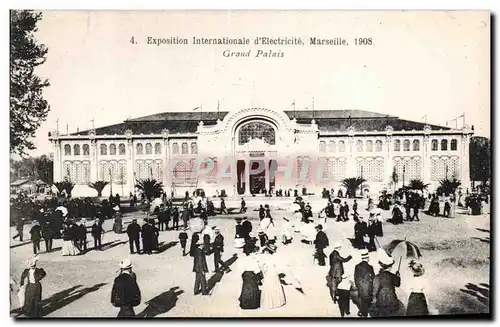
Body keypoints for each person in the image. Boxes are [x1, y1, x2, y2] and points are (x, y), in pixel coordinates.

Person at [371, 252, 403, 317]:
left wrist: (374, 298)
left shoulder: (377, 276)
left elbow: (375, 289)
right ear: (390, 267)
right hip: (392, 300)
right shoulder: (392, 276)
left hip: (381, 300)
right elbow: (397, 284)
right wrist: (398, 277)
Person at [238, 245, 262, 309]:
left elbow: (240, 268)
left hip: (245, 274)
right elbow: (257, 270)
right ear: (251, 252)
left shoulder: (244, 259)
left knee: (245, 288)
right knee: (253, 288)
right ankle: (252, 304)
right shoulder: (253, 259)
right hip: (252, 274)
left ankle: (245, 303)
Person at [354, 249, 375, 317]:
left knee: (363, 301)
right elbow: (373, 278)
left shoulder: (357, 266)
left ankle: (363, 313)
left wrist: (358, 287)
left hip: (360, 288)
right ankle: (364, 313)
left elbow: (356, 278)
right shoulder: (370, 267)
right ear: (367, 258)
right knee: (367, 303)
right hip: (368, 289)